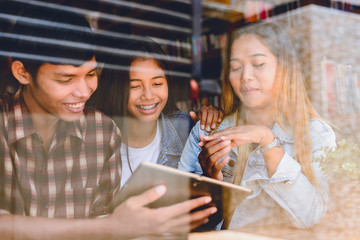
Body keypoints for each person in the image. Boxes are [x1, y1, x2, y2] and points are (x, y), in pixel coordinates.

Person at [0, 3, 217, 239]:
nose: (84, 91)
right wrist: (113, 226)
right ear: (22, 73)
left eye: (91, 74)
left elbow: (102, 219)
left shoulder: (102, 132)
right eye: (66, 79)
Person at [178, 22, 336, 229]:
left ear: (284, 68)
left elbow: (315, 217)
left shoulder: (315, 133)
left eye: (258, 64)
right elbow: (182, 219)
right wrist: (213, 182)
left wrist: (268, 142)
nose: (245, 77)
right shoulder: (207, 130)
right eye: (235, 67)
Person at [90, 39, 223, 187]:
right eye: (135, 86)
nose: (148, 95)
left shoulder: (187, 131)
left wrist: (217, 120)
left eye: (157, 83)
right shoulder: (95, 139)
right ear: (115, 89)